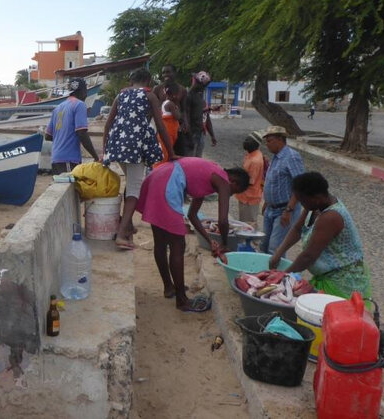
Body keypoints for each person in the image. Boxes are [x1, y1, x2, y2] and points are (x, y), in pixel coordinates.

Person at [136, 157, 249, 311]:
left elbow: (192, 215)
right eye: (233, 192)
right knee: (178, 245)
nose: (229, 195)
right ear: (233, 182)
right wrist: (224, 244)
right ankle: (181, 299)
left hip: (158, 177)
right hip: (168, 184)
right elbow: (223, 220)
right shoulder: (222, 180)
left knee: (160, 241)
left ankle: (170, 287)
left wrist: (209, 240)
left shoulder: (209, 173)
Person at [269, 172, 372, 302]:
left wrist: (283, 275)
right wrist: (278, 253)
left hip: (342, 282)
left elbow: (309, 256)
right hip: (326, 277)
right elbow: (297, 229)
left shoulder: (330, 217)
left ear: (316, 197)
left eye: (302, 200)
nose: (301, 204)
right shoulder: (314, 206)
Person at [103, 68, 174, 250]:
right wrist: (171, 153)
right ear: (148, 81)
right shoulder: (150, 97)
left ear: (130, 81)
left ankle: (127, 225)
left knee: (132, 182)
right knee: (135, 187)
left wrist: (105, 151)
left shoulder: (120, 96)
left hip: (118, 146)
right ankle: (121, 234)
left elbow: (108, 124)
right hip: (135, 147)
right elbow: (160, 125)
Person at [260, 125, 305, 255]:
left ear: (280, 139)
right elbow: (274, 182)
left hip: (284, 209)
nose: (267, 145)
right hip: (271, 209)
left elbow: (300, 184)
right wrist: (267, 202)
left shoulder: (291, 157)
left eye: (269, 141)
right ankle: (264, 273)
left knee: (275, 248)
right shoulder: (276, 157)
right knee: (264, 244)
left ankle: (277, 274)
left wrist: (289, 210)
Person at [45, 78, 99, 174]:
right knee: (72, 187)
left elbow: (48, 136)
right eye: (86, 90)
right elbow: (82, 133)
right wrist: (96, 157)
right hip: (69, 159)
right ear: (82, 91)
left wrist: (63, 137)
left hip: (55, 159)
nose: (86, 94)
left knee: (62, 188)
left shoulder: (58, 108)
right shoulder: (80, 105)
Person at [234, 135, 265, 227]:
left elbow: (250, 181)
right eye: (246, 139)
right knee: (245, 223)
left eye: (248, 140)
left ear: (255, 144)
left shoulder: (255, 161)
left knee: (248, 225)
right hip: (246, 196)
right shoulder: (252, 154)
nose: (245, 141)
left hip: (249, 197)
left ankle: (251, 241)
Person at [154, 83, 183, 165]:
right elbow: (178, 117)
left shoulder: (164, 103)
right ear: (175, 95)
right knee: (165, 152)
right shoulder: (170, 104)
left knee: (164, 150)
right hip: (168, 132)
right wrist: (178, 106)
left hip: (168, 131)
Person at [185, 71, 212, 157]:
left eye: (205, 86)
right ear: (195, 81)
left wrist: (207, 110)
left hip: (199, 133)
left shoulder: (199, 95)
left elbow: (198, 113)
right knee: (190, 161)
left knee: (198, 160)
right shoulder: (188, 96)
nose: (204, 88)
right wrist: (189, 137)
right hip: (191, 134)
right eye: (203, 85)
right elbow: (186, 116)